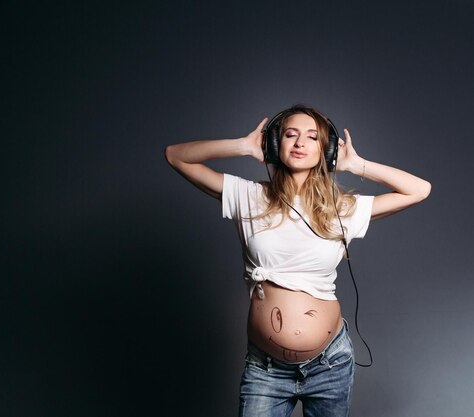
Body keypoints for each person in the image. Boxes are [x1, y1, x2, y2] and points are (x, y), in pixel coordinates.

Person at [164, 104, 431, 417]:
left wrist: (356, 164)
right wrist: (243, 147)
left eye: (312, 137)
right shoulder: (247, 196)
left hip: (330, 365)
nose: (300, 142)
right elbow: (175, 155)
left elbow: (419, 190)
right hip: (266, 370)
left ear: (326, 150)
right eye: (290, 135)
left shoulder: (341, 209)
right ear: (276, 145)